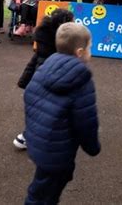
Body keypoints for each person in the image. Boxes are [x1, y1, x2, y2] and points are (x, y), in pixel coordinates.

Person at [24, 22, 100, 204]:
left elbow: (30, 98)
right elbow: (86, 121)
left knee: (42, 187)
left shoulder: (44, 68)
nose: (91, 51)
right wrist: (92, 147)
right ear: (80, 52)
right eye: (90, 47)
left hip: (40, 144)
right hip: (59, 153)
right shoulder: (81, 80)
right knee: (45, 195)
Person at [13, 8, 75, 149]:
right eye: (72, 22)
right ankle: (27, 137)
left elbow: (32, 63)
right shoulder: (55, 50)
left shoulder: (46, 44)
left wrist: (23, 80)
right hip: (47, 86)